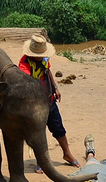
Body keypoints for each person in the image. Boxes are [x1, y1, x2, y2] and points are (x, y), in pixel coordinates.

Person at [19, 34, 79, 173]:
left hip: (49, 99)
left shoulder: (45, 59)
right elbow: (26, 83)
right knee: (38, 133)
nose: (41, 56)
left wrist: (56, 88)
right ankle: (41, 160)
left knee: (58, 127)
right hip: (35, 104)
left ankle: (67, 153)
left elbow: (48, 72)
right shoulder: (24, 64)